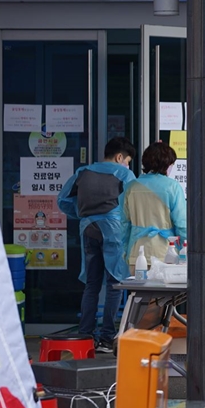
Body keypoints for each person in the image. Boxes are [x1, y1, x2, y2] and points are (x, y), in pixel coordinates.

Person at [58, 137, 137, 353]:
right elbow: (133, 202)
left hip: (87, 228)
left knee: (92, 284)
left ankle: (85, 335)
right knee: (114, 283)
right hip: (113, 228)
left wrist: (82, 215)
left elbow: (62, 200)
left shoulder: (82, 172)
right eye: (128, 160)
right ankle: (106, 337)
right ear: (120, 157)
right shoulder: (123, 174)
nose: (128, 165)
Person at [120, 142, 187, 270]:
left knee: (138, 290)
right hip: (167, 253)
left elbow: (123, 224)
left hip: (137, 252)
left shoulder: (131, 187)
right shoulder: (172, 187)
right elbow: (182, 224)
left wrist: (125, 251)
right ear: (167, 164)